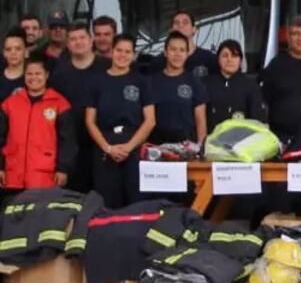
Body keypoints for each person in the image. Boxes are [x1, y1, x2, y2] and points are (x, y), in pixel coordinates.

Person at [85, 34, 156, 207]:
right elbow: (89, 121)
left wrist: (128, 148)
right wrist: (108, 148)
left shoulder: (141, 81)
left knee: (136, 203)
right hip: (105, 147)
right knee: (107, 203)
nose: (122, 55)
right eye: (119, 50)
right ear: (112, 51)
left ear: (133, 55)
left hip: (133, 147)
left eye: (127, 52)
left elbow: (150, 121)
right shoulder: (96, 81)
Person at [0, 54, 76, 192]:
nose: (33, 78)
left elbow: (68, 141)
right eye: (29, 73)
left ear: (46, 75)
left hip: (45, 178)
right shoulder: (10, 103)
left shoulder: (60, 104)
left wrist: (63, 168)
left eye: (38, 73)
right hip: (12, 177)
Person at [49, 21, 110, 193]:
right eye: (73, 39)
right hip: (72, 148)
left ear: (91, 41)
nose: (78, 42)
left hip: (104, 145)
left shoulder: (107, 68)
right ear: (68, 45)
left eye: (82, 37)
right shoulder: (60, 74)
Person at [149, 32, 208, 144]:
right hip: (156, 145)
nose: (177, 54)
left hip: (186, 145)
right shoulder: (151, 82)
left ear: (187, 54)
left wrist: (201, 148)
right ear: (165, 52)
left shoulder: (195, 82)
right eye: (173, 49)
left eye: (182, 50)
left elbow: (200, 121)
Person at [204, 39, 267, 132]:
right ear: (218, 59)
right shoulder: (205, 83)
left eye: (234, 56)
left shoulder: (251, 86)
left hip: (242, 141)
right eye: (225, 56)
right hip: (211, 140)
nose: (229, 59)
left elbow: (258, 121)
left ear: (240, 60)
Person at [150, 11, 218, 78]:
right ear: (171, 31)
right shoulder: (158, 63)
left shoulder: (210, 60)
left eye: (185, 22)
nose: (180, 25)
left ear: (194, 29)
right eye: (176, 23)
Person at [1, 28, 27, 101]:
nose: (13, 53)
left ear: (26, 52)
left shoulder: (32, 78)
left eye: (18, 49)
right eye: (8, 49)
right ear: (4, 53)